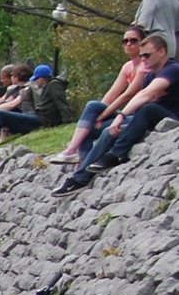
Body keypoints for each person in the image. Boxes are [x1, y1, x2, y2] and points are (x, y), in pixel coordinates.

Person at [56, 28, 179, 192]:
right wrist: (111, 118)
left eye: (147, 55)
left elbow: (145, 94)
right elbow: (139, 96)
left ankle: (115, 154)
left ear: (162, 51)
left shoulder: (172, 69)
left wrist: (120, 116)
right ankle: (79, 177)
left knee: (148, 109)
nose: (143, 59)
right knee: (104, 129)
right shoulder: (149, 75)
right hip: (148, 118)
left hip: (171, 119)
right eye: (141, 56)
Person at [51, 27, 153, 167]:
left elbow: (127, 95)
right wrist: (98, 115)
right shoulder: (127, 67)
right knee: (89, 127)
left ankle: (73, 152)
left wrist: (102, 115)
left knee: (93, 107)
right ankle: (82, 163)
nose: (128, 44)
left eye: (133, 40)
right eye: (125, 41)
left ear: (142, 43)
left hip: (137, 116)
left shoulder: (145, 67)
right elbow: (112, 93)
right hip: (125, 114)